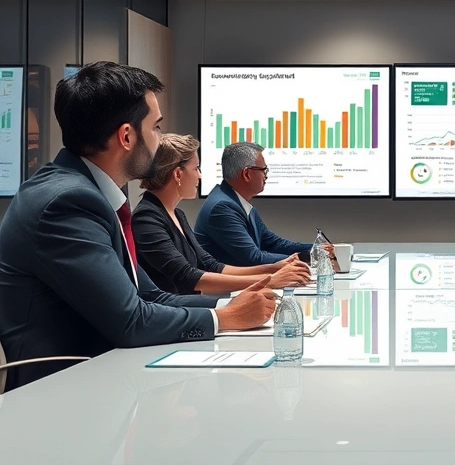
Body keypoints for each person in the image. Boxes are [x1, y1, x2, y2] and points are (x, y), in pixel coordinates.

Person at [0, 62, 275, 391]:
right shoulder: (67, 203)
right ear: (127, 136)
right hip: (62, 393)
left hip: (102, 375)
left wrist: (233, 302)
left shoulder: (88, 192)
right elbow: (131, 320)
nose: (160, 139)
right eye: (156, 127)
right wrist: (226, 318)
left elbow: (150, 296)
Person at [133, 134, 312, 295]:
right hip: (175, 316)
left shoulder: (177, 215)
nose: (200, 176)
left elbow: (210, 265)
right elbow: (188, 277)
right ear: (178, 174)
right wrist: (269, 280)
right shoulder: (146, 219)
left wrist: (273, 268)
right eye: (196, 168)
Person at [194, 142, 333, 267]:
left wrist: (318, 249)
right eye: (263, 170)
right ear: (247, 174)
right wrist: (310, 257)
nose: (266, 175)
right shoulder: (222, 208)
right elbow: (253, 258)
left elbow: (273, 243)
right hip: (227, 292)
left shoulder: (237, 201)